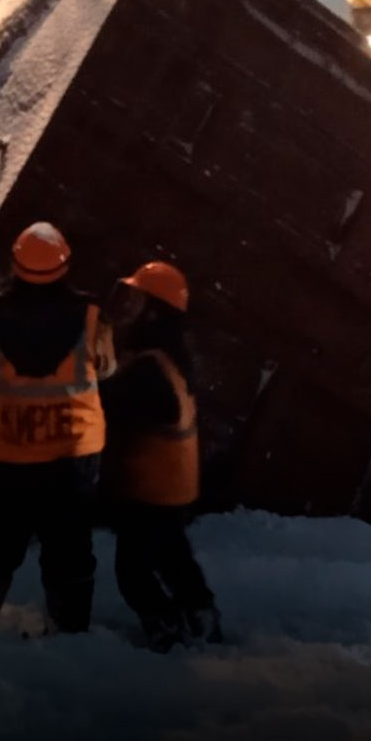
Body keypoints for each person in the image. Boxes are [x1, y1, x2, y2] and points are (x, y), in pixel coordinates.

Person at [0, 222, 115, 641]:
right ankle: (69, 631)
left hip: (7, 455)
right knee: (70, 549)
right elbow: (106, 368)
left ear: (15, 264)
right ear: (65, 264)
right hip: (72, 457)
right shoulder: (93, 316)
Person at [102, 261, 221, 652]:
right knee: (174, 560)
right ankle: (202, 619)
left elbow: (107, 407)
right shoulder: (171, 359)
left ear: (154, 310)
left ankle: (166, 634)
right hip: (172, 491)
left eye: (137, 299)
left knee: (132, 573)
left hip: (149, 493)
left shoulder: (149, 369)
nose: (129, 306)